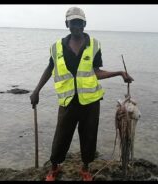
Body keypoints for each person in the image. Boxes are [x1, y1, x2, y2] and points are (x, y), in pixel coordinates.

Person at [30, 7, 133, 181]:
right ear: (67, 24)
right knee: (61, 137)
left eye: (79, 22)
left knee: (89, 137)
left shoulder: (95, 45)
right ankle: (55, 167)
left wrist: (119, 73)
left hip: (91, 103)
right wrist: (36, 90)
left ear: (84, 24)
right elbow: (50, 68)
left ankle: (85, 168)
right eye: (73, 22)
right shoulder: (56, 47)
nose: (76, 25)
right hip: (67, 101)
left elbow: (96, 71)